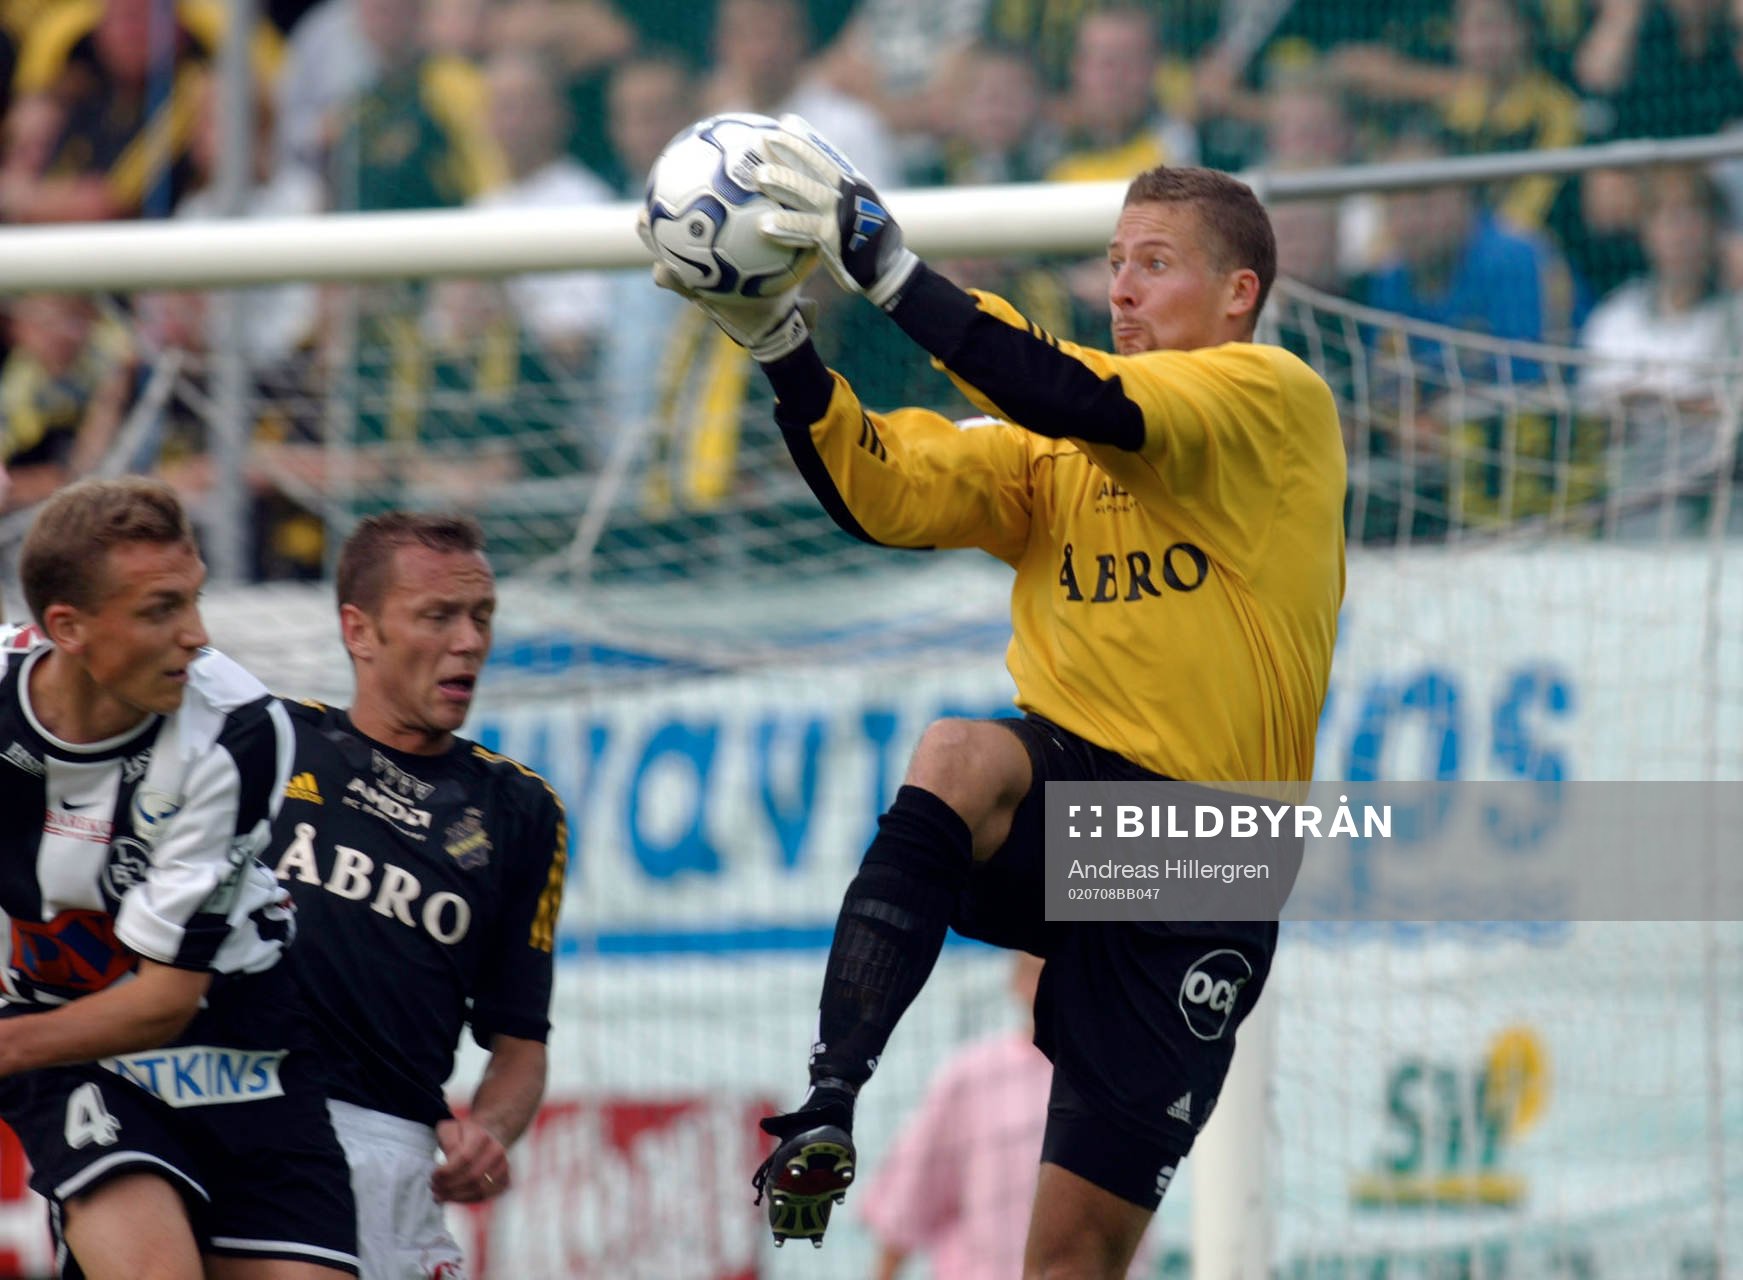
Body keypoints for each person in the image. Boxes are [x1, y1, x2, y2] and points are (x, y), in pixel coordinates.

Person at [643, 121, 1345, 1274]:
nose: (1122, 288)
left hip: (1204, 854)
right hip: (1081, 803)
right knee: (959, 754)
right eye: (1114, 263)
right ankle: (830, 1096)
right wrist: (779, 345)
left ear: (1239, 293)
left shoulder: (1271, 399)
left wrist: (886, 264)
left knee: (1068, 1261)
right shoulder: (1054, 451)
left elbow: (1070, 392)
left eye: (1154, 262)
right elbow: (884, 489)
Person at [0, 477, 358, 1280]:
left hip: (236, 1036)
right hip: (66, 1036)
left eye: (194, 599)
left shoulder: (236, 731)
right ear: (68, 627)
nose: (196, 635)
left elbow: (165, 1000)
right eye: (161, 609)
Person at [265, 512, 568, 1280]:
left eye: (481, 617)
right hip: (249, 1119)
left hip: (395, 1156)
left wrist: (489, 1130)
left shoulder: (521, 809)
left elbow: (520, 1042)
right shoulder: (271, 744)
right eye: (438, 616)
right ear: (359, 631)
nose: (469, 641)